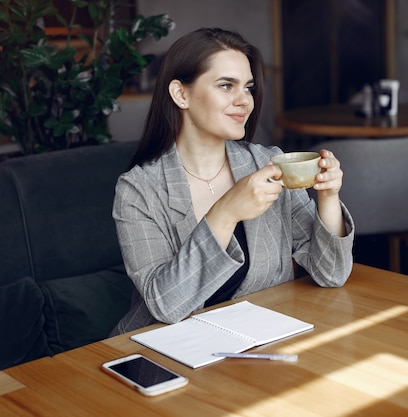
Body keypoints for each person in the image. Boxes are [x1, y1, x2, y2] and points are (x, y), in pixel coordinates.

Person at [109, 27, 354, 336]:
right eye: (226, 86)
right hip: (161, 348)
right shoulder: (138, 190)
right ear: (180, 94)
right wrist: (225, 213)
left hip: (254, 344)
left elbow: (331, 273)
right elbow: (165, 305)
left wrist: (328, 195)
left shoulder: (269, 164)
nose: (245, 101)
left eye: (248, 88)